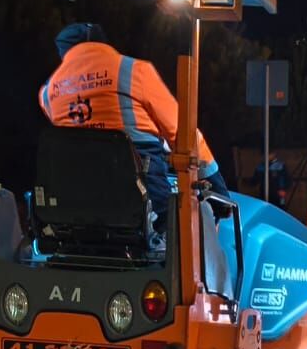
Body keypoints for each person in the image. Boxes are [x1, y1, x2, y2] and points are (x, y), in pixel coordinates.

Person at [38, 23, 227, 242]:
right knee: (188, 238)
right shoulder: (133, 71)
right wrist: (217, 189)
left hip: (72, 210)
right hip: (143, 203)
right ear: (103, 43)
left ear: (63, 52)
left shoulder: (48, 93)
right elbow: (182, 132)